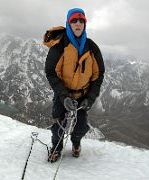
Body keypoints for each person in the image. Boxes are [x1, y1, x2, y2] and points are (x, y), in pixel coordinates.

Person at [43, 8, 105, 162]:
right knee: (58, 125)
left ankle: (76, 143)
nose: (78, 23)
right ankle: (56, 148)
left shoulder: (91, 48)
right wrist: (63, 97)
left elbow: (98, 75)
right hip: (63, 94)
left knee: (81, 127)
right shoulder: (59, 46)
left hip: (83, 95)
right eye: (74, 20)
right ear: (68, 23)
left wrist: (90, 98)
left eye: (81, 20)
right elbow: (51, 72)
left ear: (85, 24)